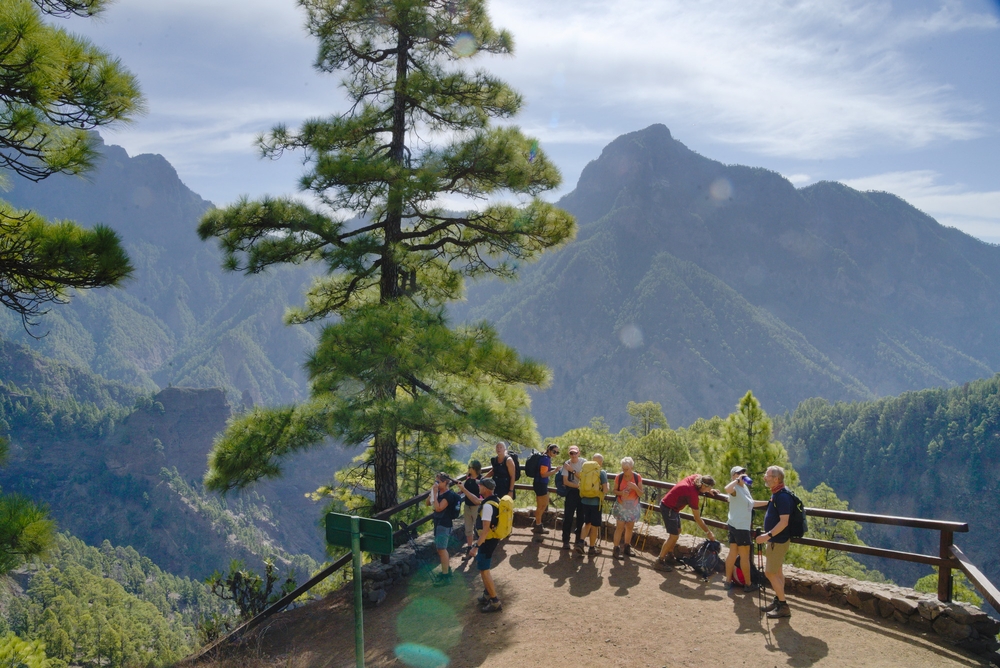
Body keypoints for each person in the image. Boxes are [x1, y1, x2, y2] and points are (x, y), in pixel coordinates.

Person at [654, 473, 717, 571]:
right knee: (673, 536)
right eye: (708, 488)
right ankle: (659, 560)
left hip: (673, 508)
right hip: (668, 508)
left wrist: (708, 490)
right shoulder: (692, 494)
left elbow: (699, 488)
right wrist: (708, 532)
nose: (708, 491)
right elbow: (697, 518)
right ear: (703, 485)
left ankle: (670, 556)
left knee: (677, 531)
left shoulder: (697, 478)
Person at [755, 465, 793, 618]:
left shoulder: (782, 497)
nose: (765, 477)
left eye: (768, 475)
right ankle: (778, 600)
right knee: (777, 572)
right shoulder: (777, 494)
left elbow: (784, 522)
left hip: (777, 541)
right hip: (777, 540)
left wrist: (766, 536)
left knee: (769, 573)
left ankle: (783, 606)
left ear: (776, 479)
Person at [470, 478, 503, 612]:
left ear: (486, 489)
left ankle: (495, 601)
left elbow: (485, 529)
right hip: (491, 539)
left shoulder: (488, 506)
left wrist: (476, 546)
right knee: (483, 568)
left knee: (484, 570)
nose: (479, 487)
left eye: (481, 486)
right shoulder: (495, 500)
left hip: (487, 540)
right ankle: (487, 593)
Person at [723, 465, 755, 592]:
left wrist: (768, 503)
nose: (742, 474)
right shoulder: (735, 487)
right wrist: (737, 480)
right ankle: (748, 584)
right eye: (738, 473)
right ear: (733, 476)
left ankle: (728, 581)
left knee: (733, 553)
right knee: (744, 556)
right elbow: (726, 489)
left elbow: (751, 503)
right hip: (741, 527)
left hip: (735, 524)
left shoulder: (744, 487)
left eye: (743, 472)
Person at [427, 472, 461, 585]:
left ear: (445, 482)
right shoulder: (438, 493)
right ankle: (447, 570)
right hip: (438, 523)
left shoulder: (448, 495)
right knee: (440, 549)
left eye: (438, 481)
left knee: (442, 549)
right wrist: (433, 493)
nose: (436, 483)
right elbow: (427, 503)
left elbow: (438, 508)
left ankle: (446, 576)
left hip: (444, 524)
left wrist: (436, 493)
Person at [577, 453, 609, 556]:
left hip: (584, 501)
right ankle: (591, 548)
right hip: (596, 502)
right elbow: (605, 490)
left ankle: (581, 542)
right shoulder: (601, 472)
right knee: (594, 526)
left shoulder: (585, 470)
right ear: (601, 462)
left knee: (587, 523)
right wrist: (607, 485)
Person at [611, 456, 643, 558]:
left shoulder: (637, 477)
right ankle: (616, 549)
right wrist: (621, 493)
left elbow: (641, 493)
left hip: (633, 506)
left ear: (632, 467)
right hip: (621, 505)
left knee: (630, 527)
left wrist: (635, 487)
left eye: (627, 469)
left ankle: (626, 547)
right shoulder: (619, 477)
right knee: (619, 528)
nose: (625, 471)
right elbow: (614, 491)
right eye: (623, 469)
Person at [560, 445, 586, 551]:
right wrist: (578, 486)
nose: (573, 455)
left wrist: (573, 471)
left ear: (579, 453)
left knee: (581, 517)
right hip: (571, 493)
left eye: (575, 453)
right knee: (568, 517)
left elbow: (584, 477)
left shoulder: (584, 463)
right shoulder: (567, 464)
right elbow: (565, 481)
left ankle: (579, 539)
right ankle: (566, 540)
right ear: (569, 453)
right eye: (571, 453)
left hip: (582, 494)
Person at [532, 443, 560, 535]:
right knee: (542, 506)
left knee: (541, 505)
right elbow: (543, 474)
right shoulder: (545, 459)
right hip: (541, 484)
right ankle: (538, 525)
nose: (555, 453)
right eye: (554, 451)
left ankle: (537, 523)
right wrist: (554, 471)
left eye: (557, 452)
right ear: (549, 450)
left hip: (539, 483)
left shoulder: (544, 457)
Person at [460, 460, 484, 557]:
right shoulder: (468, 478)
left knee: (479, 528)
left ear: (473, 468)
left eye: (470, 467)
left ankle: (479, 547)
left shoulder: (480, 480)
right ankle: (470, 547)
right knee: (468, 529)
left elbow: (480, 497)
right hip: (467, 506)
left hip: (476, 507)